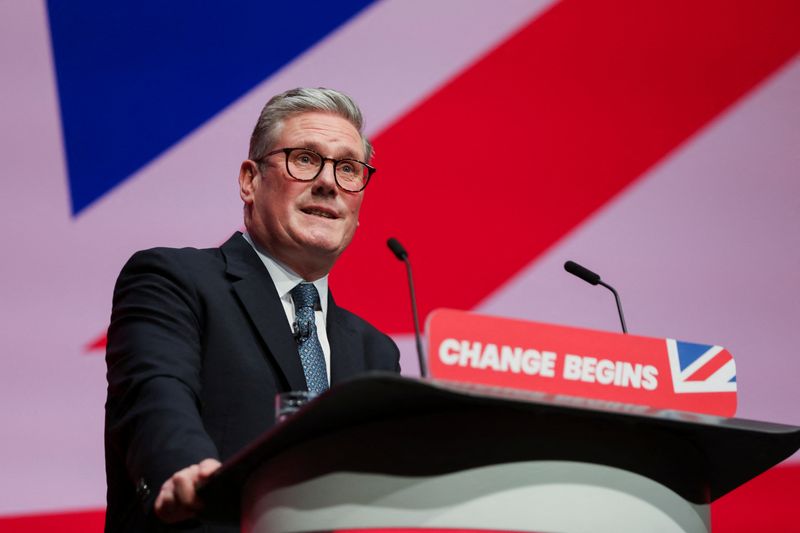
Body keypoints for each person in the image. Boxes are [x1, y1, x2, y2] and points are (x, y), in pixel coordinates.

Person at [104, 87, 401, 532]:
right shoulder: (174, 280)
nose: (328, 183)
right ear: (249, 180)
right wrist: (184, 469)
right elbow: (156, 393)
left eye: (347, 169)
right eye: (304, 158)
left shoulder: (374, 352)